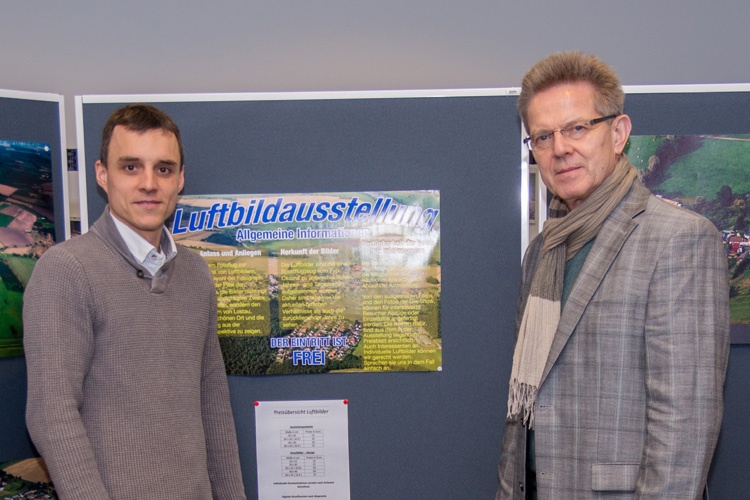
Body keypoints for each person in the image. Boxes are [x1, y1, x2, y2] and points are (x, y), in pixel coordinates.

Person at [496, 52, 729, 499]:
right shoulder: (542, 252)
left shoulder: (678, 240)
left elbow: (685, 429)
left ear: (618, 133)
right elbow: (522, 411)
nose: (560, 149)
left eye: (577, 128)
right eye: (543, 136)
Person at [23, 104, 247, 499]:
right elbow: (51, 414)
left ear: (180, 178)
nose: (149, 183)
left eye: (163, 169)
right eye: (131, 167)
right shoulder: (67, 269)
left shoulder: (195, 274)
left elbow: (213, 406)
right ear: (102, 174)